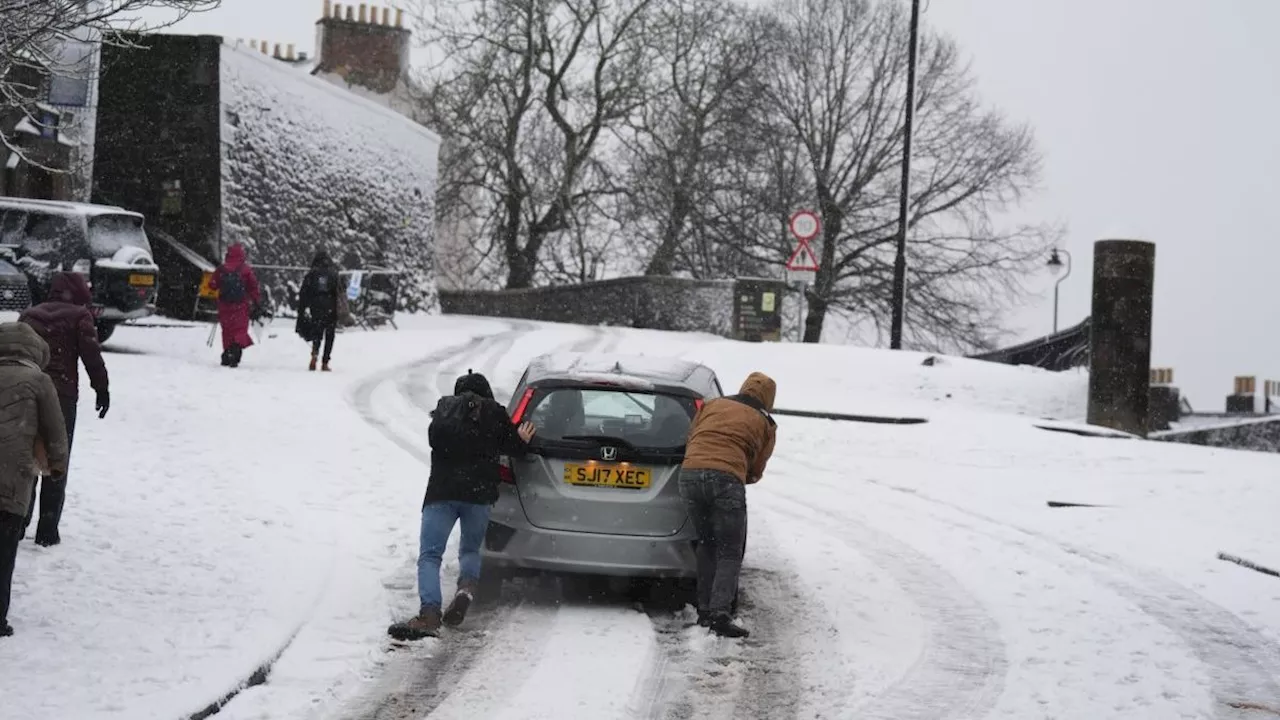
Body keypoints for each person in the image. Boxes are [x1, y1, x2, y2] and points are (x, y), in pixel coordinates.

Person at [388, 371, 537, 640]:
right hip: (478, 496)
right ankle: (464, 592)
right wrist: (522, 440)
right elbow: (513, 448)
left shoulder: (444, 414)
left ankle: (429, 614)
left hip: (441, 493)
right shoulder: (495, 414)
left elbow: (435, 441)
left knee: (430, 555)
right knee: (469, 549)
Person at [679, 371, 777, 638]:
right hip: (726, 479)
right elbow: (756, 468)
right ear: (769, 399)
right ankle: (720, 614)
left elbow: (692, 437)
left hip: (689, 474)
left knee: (706, 543)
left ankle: (703, 610)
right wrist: (738, 475)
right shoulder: (765, 422)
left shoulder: (713, 405)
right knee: (729, 551)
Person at [18, 271, 109, 546]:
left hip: (30, 392)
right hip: (62, 397)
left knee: (27, 460)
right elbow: (91, 355)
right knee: (57, 460)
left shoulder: (30, 315)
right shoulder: (79, 316)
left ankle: (19, 522)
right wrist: (102, 388)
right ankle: (47, 530)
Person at [0, 321, 70, 637]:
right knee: (3, 554)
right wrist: (57, 466)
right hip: (12, 480)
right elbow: (56, 430)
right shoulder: (38, 381)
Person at [209, 243, 261, 368]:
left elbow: (213, 285)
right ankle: (236, 350)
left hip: (224, 305)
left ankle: (227, 353)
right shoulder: (245, 269)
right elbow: (253, 286)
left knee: (227, 330)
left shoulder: (222, 269)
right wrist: (256, 301)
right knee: (240, 329)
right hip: (241, 305)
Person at [297, 250, 340, 372]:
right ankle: (325, 362)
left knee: (317, 333)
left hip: (316, 306)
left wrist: (302, 309)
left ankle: (314, 354)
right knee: (330, 335)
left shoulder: (312, 274)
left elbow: (304, 292)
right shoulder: (334, 274)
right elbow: (340, 291)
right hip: (331, 306)